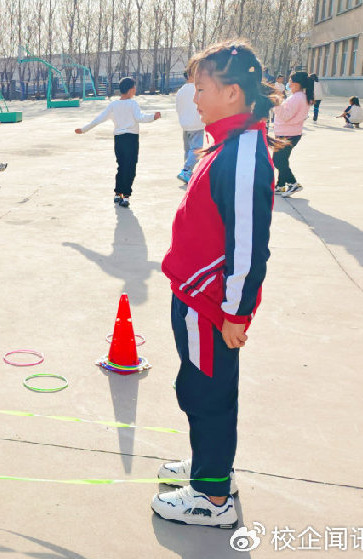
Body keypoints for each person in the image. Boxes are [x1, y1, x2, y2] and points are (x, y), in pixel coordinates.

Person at [153, 40, 278, 529]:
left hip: (209, 305)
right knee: (200, 386)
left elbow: (248, 246)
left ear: (232, 92)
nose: (194, 98)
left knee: (208, 393)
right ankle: (210, 467)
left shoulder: (244, 152)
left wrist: (235, 312)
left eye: (201, 89)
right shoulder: (227, 141)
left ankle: (210, 497)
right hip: (194, 295)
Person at [74, 76, 162, 207]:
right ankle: (126, 196)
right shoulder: (133, 104)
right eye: (134, 87)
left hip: (119, 140)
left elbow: (98, 119)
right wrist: (153, 117)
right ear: (131, 89)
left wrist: (83, 129)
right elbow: (140, 118)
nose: (135, 89)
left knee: (121, 166)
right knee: (130, 167)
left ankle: (117, 193)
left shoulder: (113, 105)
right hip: (131, 139)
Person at [271, 71, 310, 197]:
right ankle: (281, 185)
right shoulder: (300, 96)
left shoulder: (297, 98)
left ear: (297, 84)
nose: (289, 83)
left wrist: (275, 104)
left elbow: (286, 115)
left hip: (287, 133)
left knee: (278, 160)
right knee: (282, 160)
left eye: (291, 81)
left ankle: (293, 183)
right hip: (289, 132)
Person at [176, 70, 206, 183]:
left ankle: (188, 172)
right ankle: (186, 170)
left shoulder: (180, 91)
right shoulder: (197, 88)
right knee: (197, 149)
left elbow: (178, 108)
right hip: (196, 123)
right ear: (191, 75)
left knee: (188, 150)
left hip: (185, 124)